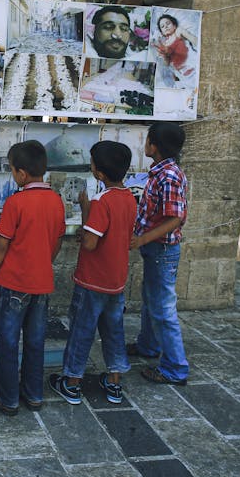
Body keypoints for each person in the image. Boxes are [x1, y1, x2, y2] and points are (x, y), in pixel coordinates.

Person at [49, 141, 138, 405]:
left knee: (81, 330)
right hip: (116, 280)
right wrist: (86, 205)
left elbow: (90, 242)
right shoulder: (129, 198)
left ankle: (72, 382)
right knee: (114, 330)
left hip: (92, 280)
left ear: (99, 173)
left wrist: (86, 224)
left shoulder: (103, 200)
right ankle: (114, 382)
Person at [0, 140, 66, 415]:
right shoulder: (56, 200)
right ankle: (33, 395)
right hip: (41, 283)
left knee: (7, 342)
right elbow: (58, 240)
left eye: (11, 170)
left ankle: (7, 398)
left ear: (21, 173)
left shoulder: (16, 202)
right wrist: (45, 262)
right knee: (35, 340)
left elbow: (2, 244)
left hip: (13, 283)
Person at [128, 122, 189, 386]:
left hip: (162, 249)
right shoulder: (159, 172)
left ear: (155, 146)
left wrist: (142, 238)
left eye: (148, 140)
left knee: (163, 308)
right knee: (150, 298)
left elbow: (175, 218)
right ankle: (148, 346)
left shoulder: (169, 175)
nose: (145, 144)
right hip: (155, 248)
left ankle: (175, 368)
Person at [153, 13, 198, 88]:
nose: (166, 26)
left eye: (168, 23)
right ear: (162, 32)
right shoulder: (164, 45)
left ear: (174, 25)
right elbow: (166, 64)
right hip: (184, 75)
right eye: (163, 26)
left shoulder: (178, 31)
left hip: (193, 65)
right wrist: (164, 56)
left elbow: (194, 40)